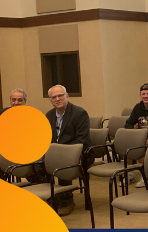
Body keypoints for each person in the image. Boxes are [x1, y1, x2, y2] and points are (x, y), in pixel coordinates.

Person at [44, 84, 90, 213]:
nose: (57, 99)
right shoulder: (49, 115)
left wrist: (61, 152)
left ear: (67, 96)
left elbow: (82, 140)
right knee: (36, 164)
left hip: (77, 153)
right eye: (54, 97)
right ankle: (52, 198)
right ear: (50, 100)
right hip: (56, 152)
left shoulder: (79, 113)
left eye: (60, 96)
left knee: (61, 163)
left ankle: (66, 200)